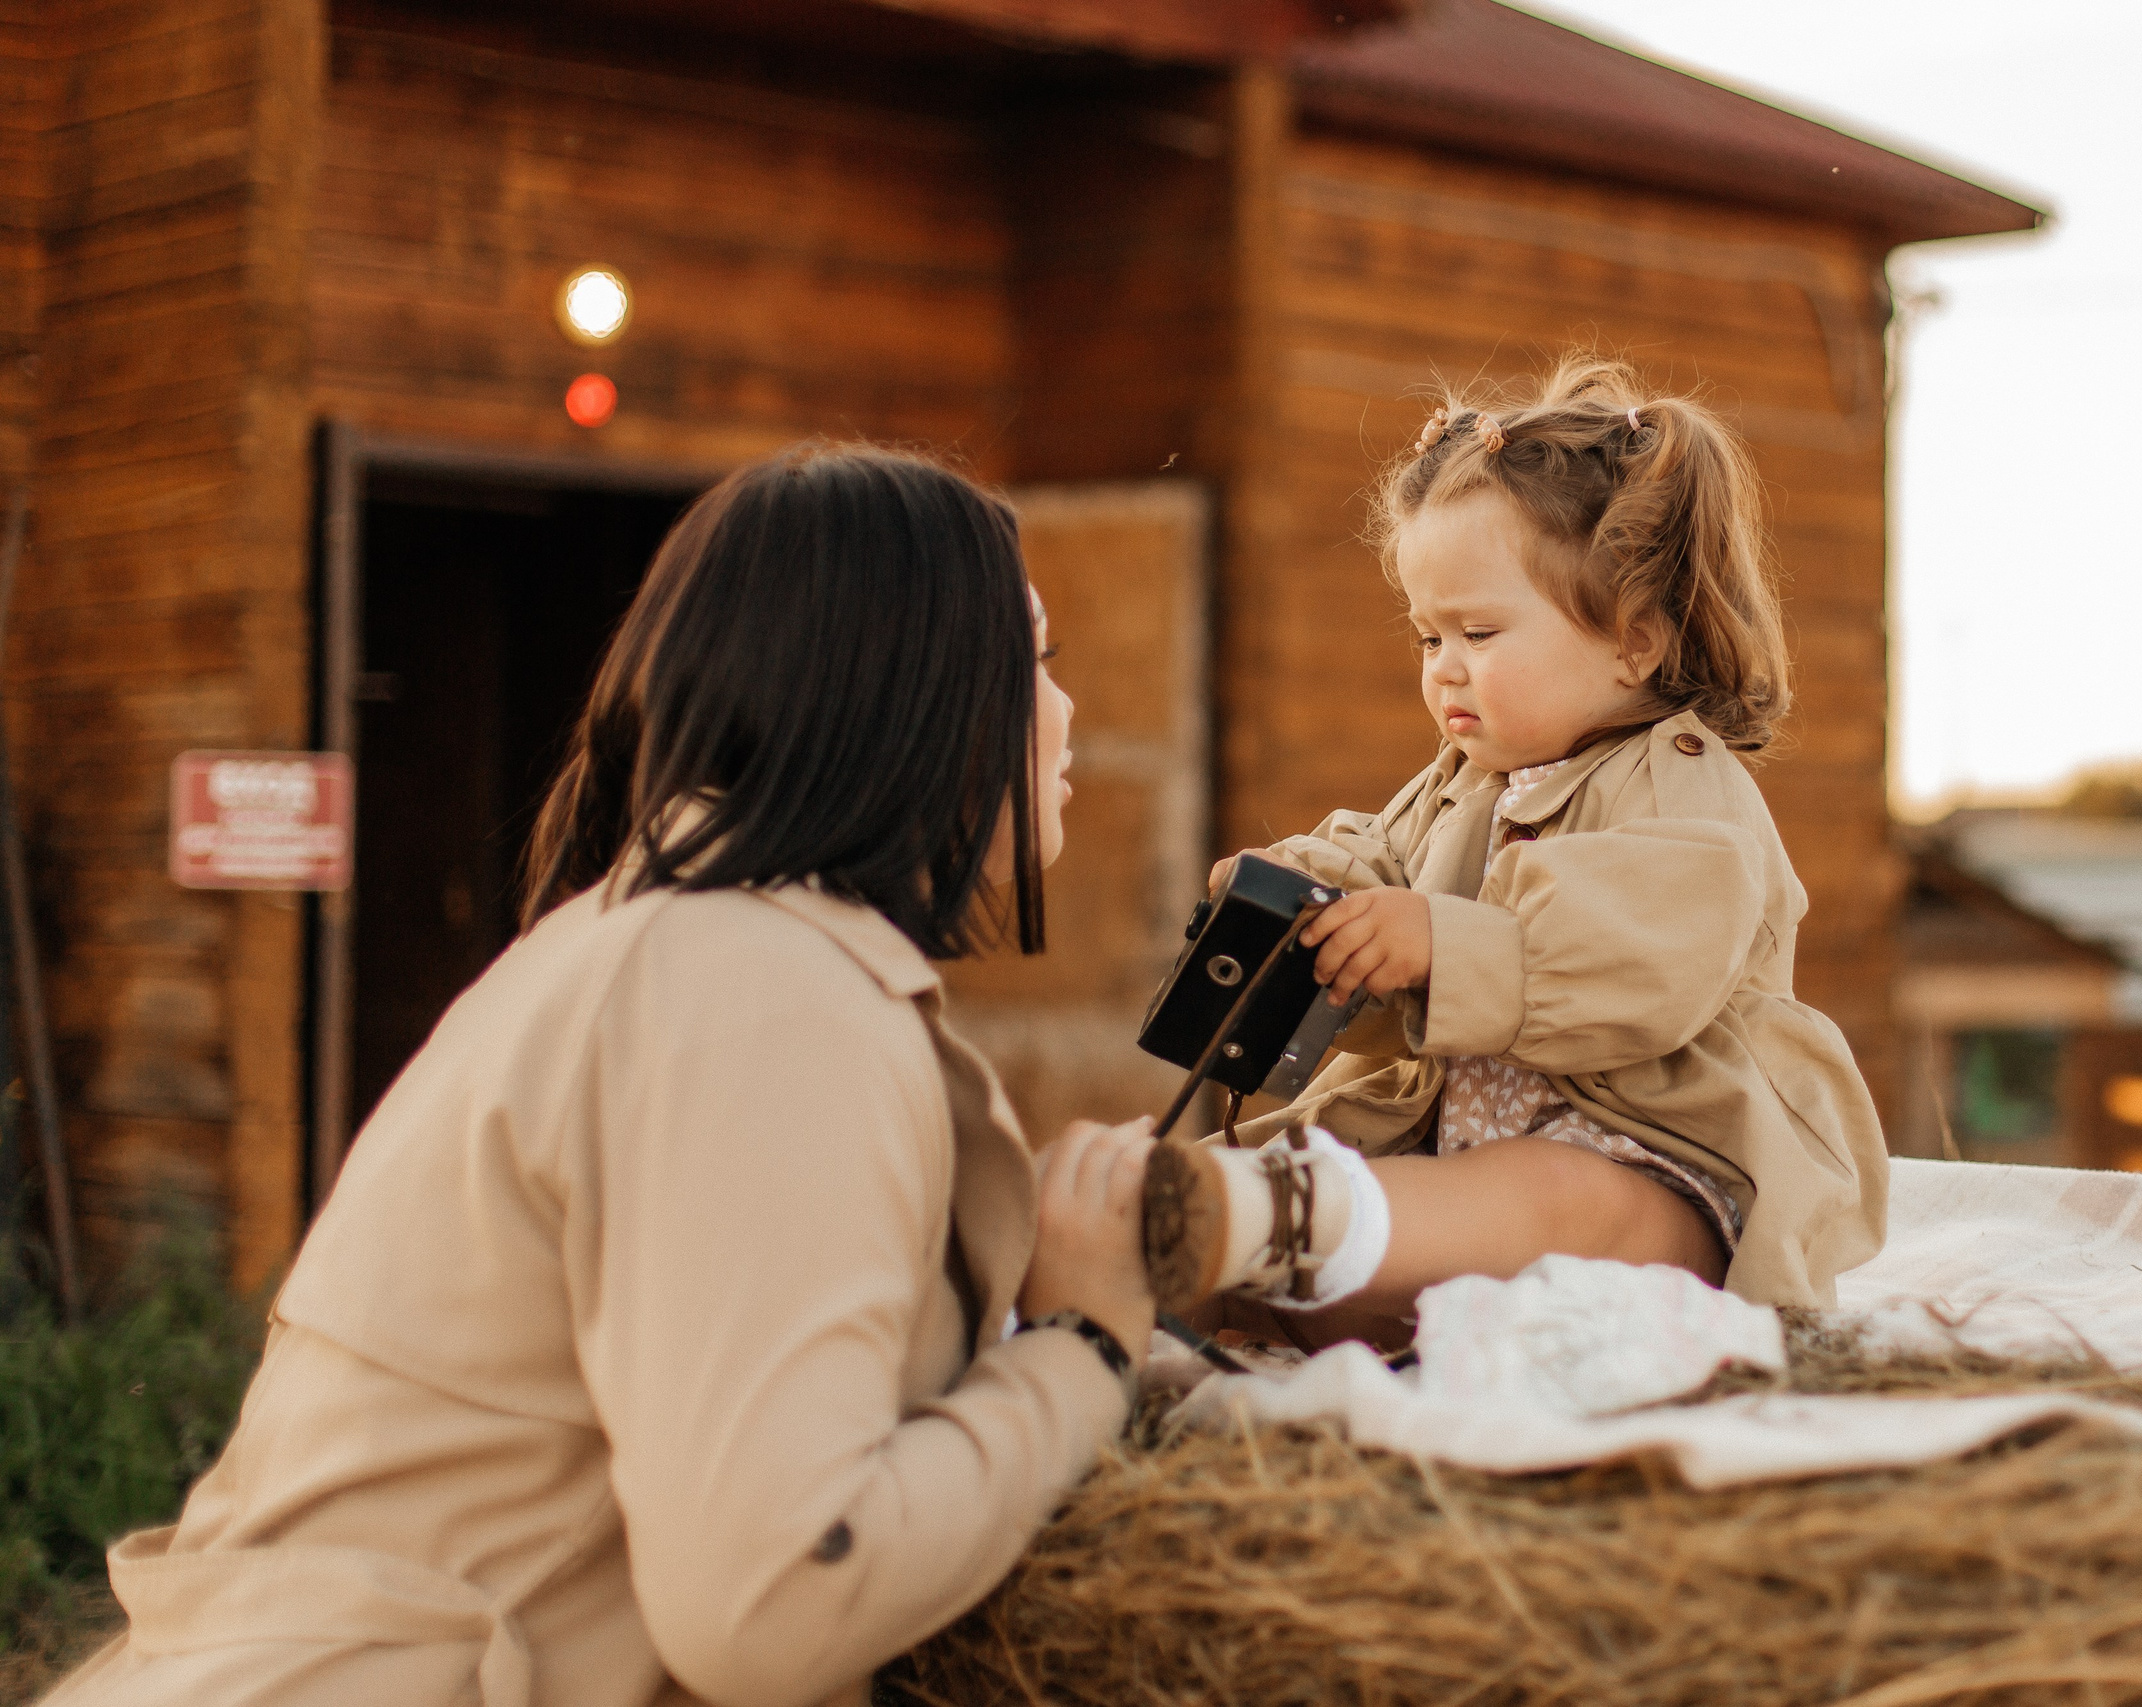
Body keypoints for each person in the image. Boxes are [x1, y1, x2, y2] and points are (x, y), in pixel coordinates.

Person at [47, 444, 1161, 1707]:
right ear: (909, 688)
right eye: (1037, 661)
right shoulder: (759, 990)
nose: (1066, 713)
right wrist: (1082, 1349)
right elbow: (778, 1599)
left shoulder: (674, 947)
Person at [1142, 357, 1889, 1339]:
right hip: (1453, 1173)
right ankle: (1138, 1267)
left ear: (1634, 641)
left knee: (1546, 1196)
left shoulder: (1684, 784)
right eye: (1425, 638)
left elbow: (1638, 962)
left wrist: (1439, 944)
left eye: (1478, 632)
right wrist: (1312, 897)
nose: (1445, 668)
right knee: (1332, 1259)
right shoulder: (1466, 781)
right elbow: (1385, 864)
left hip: (1652, 1169)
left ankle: (1278, 1218)